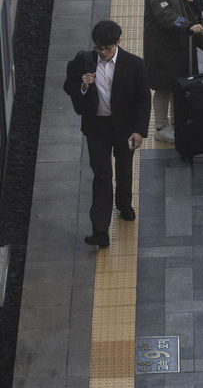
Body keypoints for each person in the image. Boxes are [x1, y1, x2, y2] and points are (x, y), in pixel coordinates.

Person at [63, 20, 150, 248]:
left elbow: (143, 100)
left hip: (125, 128)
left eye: (107, 49)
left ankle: (124, 205)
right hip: (97, 128)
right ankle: (100, 230)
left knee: (124, 167)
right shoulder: (84, 61)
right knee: (102, 176)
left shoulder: (134, 65)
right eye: (99, 48)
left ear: (118, 43)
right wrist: (81, 86)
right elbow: (68, 85)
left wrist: (139, 131)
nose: (102, 53)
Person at [143, 0, 203, 146]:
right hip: (163, 47)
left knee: (179, 85)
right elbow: (165, 16)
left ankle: (176, 122)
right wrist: (188, 25)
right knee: (163, 88)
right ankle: (161, 127)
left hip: (183, 44)